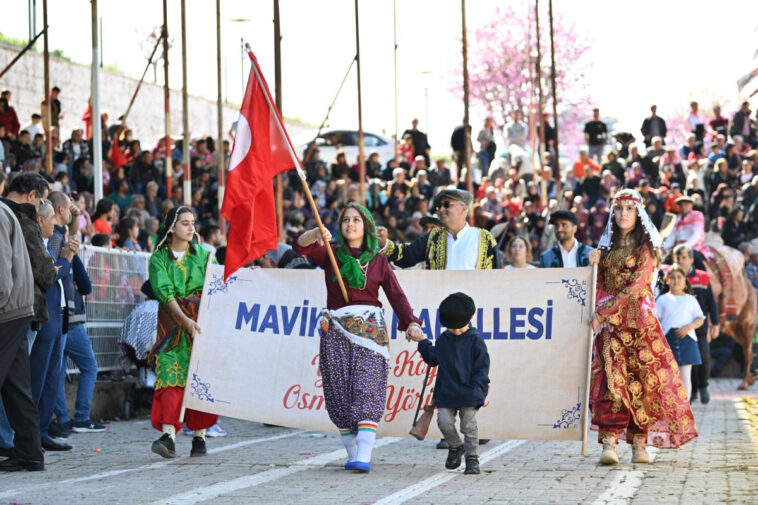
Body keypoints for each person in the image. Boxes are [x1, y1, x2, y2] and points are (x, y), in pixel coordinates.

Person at [294, 203, 423, 472]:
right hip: (336, 331)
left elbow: (396, 294)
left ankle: (364, 454)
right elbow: (300, 247)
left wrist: (410, 322)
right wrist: (316, 232)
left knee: (367, 388)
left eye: (356, 220)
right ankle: (352, 454)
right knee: (338, 392)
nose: (350, 224)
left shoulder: (378, 261)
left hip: (369, 333)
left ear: (367, 227)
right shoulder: (331, 254)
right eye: (345, 220)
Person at [588, 189, 697, 466]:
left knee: (643, 383)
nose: (624, 213)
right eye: (619, 208)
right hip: (611, 326)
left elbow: (636, 288)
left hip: (640, 323)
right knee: (611, 383)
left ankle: (639, 444)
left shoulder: (645, 249)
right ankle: (609, 443)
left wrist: (604, 313)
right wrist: (594, 266)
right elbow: (599, 285)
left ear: (638, 214)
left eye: (629, 208)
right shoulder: (606, 249)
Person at [148, 206, 218, 459]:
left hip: (201, 326)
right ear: (172, 228)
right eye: (185, 223)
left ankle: (200, 437)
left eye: (193, 223)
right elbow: (165, 293)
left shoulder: (205, 255)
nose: (191, 228)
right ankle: (168, 435)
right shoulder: (158, 259)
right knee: (169, 375)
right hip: (172, 328)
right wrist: (185, 320)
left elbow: (221, 284)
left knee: (199, 378)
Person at [408, 292, 490, 475]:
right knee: (444, 422)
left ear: (470, 318)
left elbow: (482, 368)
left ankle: (472, 458)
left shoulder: (476, 340)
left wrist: (478, 391)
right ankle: (455, 446)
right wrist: (423, 342)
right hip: (446, 393)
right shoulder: (444, 339)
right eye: (451, 328)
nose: (455, 331)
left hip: (469, 394)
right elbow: (433, 358)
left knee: (468, 426)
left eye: (458, 328)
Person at [0, 200, 44, 472]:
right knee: (16, 386)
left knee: (16, 386)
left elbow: (1, 272)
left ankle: (30, 451)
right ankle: (30, 451)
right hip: (15, 308)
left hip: (5, 308)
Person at [378, 189, 498, 270]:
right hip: (441, 305)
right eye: (438, 206)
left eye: (446, 204)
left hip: (477, 306)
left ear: (463, 208)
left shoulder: (484, 238)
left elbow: (497, 277)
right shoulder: (433, 237)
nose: (440, 209)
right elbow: (406, 255)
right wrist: (384, 243)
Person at [671, 245, 719, 404]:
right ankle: (692, 393)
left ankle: (703, 385)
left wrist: (715, 323)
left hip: (699, 326)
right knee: (686, 361)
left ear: (691, 260)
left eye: (684, 258)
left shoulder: (703, 277)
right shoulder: (672, 277)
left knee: (704, 357)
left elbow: (711, 302)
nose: (680, 261)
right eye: (677, 258)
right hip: (679, 329)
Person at [656, 264, 705, 400]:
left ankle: (685, 409)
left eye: (679, 277)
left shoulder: (690, 299)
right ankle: (670, 409)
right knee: (667, 378)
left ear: (685, 280)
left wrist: (688, 327)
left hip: (687, 340)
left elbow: (700, 318)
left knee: (684, 377)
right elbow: (655, 320)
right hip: (667, 341)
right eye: (672, 277)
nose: (676, 281)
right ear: (667, 280)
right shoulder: (662, 299)